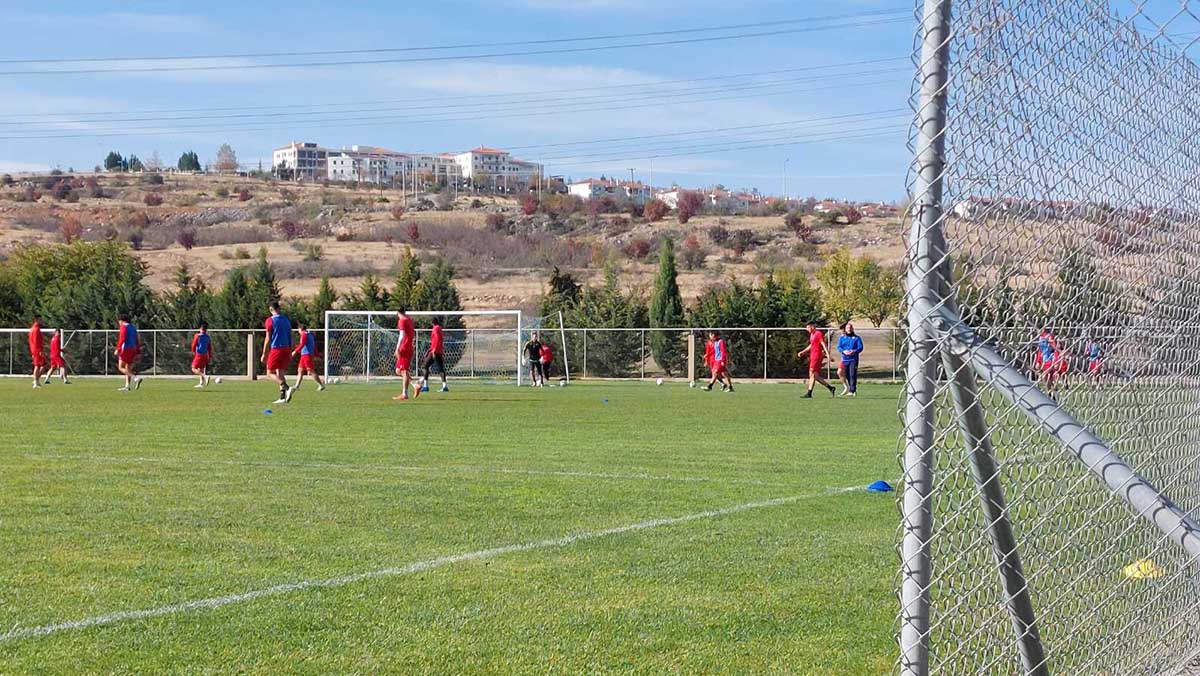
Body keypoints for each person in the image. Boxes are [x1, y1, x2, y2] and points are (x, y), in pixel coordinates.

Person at [260, 302, 294, 404]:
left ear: (271, 309)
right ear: (279, 309)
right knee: (280, 372)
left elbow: (268, 339)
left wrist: (264, 353)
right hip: (286, 348)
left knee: (269, 373)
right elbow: (290, 337)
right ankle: (282, 397)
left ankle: (287, 388)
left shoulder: (270, 321)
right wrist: (290, 351)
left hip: (276, 349)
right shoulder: (286, 320)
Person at [796, 321, 836, 398]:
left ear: (812, 326)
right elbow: (812, 345)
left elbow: (823, 344)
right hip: (813, 355)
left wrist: (828, 355)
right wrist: (803, 352)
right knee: (815, 376)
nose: (807, 329)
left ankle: (809, 393)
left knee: (812, 374)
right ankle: (830, 388)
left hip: (817, 356)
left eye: (807, 327)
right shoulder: (812, 334)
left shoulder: (818, 333)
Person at [292, 321, 326, 392]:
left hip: (306, 355)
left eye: (298, 329)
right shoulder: (309, 334)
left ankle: (321, 385)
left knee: (310, 370)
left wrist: (295, 351)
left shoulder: (304, 334)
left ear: (300, 329)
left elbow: (302, 344)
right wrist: (317, 354)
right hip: (305, 355)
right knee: (300, 370)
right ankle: (297, 385)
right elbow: (313, 345)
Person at [418, 316, 448, 393]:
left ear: (432, 323)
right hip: (439, 351)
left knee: (425, 366)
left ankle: (425, 386)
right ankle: (444, 386)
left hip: (435, 351)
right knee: (441, 369)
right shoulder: (439, 328)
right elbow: (435, 341)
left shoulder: (435, 328)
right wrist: (429, 350)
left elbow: (437, 339)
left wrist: (433, 350)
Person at [115, 314, 143, 392]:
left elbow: (122, 338)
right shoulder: (133, 328)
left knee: (120, 367)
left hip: (126, 349)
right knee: (128, 368)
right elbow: (137, 340)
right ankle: (127, 386)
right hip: (133, 349)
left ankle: (136, 378)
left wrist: (118, 349)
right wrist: (138, 352)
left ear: (121, 320)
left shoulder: (124, 327)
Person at [394, 306, 417, 400]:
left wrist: (397, 348)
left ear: (397, 312)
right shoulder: (409, 320)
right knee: (398, 371)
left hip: (404, 347)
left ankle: (405, 394)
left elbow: (402, 335)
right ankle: (415, 384)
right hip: (408, 346)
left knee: (403, 371)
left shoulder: (402, 320)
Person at [836, 322, 864, 396]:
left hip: (853, 359)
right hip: (845, 359)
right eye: (848, 328)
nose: (849, 329)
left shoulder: (857, 338)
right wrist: (843, 351)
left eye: (850, 328)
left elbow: (860, 347)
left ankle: (853, 390)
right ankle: (851, 388)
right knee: (847, 375)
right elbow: (839, 347)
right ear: (845, 329)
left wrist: (854, 351)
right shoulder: (842, 338)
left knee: (852, 374)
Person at [190, 323, 213, 388]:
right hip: (205, 354)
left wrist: (193, 351)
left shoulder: (197, 336)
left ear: (200, 329)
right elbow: (209, 347)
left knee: (193, 368)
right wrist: (210, 355)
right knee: (201, 368)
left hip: (199, 354)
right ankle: (201, 383)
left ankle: (205, 376)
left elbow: (194, 345)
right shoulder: (208, 337)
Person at [29, 316, 47, 389]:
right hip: (37, 350)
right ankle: (35, 382)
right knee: (37, 366)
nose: (42, 321)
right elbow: (36, 342)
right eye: (40, 319)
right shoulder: (36, 329)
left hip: (35, 350)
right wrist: (40, 351)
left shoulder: (33, 329)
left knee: (44, 365)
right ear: (37, 320)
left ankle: (36, 380)